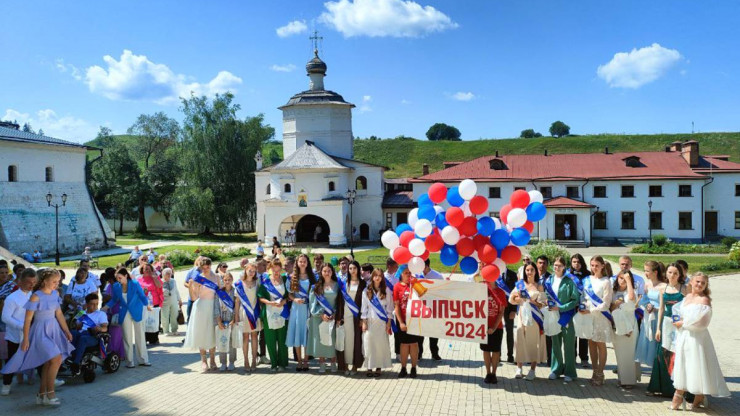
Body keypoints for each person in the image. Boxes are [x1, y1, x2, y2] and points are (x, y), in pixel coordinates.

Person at [1, 268, 73, 406]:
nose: (57, 284)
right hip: (40, 332)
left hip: (53, 330)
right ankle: (50, 393)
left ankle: (41, 395)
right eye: (54, 281)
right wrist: (26, 339)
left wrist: (66, 330)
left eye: (58, 281)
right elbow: (28, 320)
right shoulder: (35, 296)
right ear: (45, 281)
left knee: (48, 362)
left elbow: (58, 314)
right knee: (56, 358)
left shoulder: (55, 293)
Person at [670, 272, 730, 410]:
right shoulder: (687, 297)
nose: (700, 285)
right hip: (684, 336)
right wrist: (676, 321)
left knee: (696, 364)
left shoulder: (705, 300)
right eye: (697, 281)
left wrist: (683, 324)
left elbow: (702, 323)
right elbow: (677, 311)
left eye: (703, 283)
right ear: (691, 281)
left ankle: (687, 396)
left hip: (697, 338)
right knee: (683, 364)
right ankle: (690, 395)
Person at [647, 263, 688, 397]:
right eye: (670, 272)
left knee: (678, 354)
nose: (672, 276)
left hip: (680, 326)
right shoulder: (662, 289)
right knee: (663, 354)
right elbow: (662, 310)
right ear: (666, 274)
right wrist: (658, 328)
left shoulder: (685, 289)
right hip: (666, 325)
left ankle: (680, 389)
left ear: (680, 275)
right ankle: (662, 387)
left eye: (675, 273)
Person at [103, 268, 150, 368]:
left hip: (137, 311)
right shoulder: (116, 286)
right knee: (127, 337)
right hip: (124, 313)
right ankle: (130, 362)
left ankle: (143, 359)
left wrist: (147, 305)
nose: (118, 280)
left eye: (120, 277)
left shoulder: (134, 283)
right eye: (117, 278)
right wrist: (106, 307)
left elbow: (142, 296)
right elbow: (114, 300)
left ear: (125, 276)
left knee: (140, 336)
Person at [544, 256, 579, 382]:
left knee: (569, 344)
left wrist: (561, 308)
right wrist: (548, 302)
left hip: (566, 316)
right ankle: (556, 369)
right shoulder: (550, 279)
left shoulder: (570, 281)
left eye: (559, 265)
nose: (556, 267)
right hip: (553, 315)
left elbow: (575, 300)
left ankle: (570, 372)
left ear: (564, 267)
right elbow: (547, 294)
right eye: (555, 265)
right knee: (556, 343)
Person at [2, 268, 37, 395]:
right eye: (29, 282)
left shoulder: (32, 294)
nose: (32, 284)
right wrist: (21, 326)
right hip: (15, 336)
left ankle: (48, 379)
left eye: (34, 282)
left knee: (37, 355)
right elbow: (5, 317)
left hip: (30, 333)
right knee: (12, 359)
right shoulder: (12, 298)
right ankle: (6, 384)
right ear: (20, 282)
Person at [509, 262, 546, 380]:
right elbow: (512, 298)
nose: (529, 272)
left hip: (534, 317)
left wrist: (532, 301)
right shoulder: (520, 284)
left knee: (534, 341)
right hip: (521, 315)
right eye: (527, 270)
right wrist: (519, 298)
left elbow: (543, 303)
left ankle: (532, 369)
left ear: (535, 271)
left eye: (531, 270)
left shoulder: (539, 286)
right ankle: (519, 368)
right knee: (520, 338)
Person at [183, 257, 220, 372]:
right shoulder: (198, 279)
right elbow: (194, 297)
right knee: (202, 332)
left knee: (212, 332)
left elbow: (220, 293)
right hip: (201, 307)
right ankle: (203, 360)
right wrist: (191, 286)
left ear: (210, 265)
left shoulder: (217, 277)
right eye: (203, 267)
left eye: (208, 266)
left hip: (213, 306)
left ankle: (213, 359)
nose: (206, 268)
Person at [581, 256, 613, 386]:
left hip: (601, 316)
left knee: (600, 344)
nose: (594, 268)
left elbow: (606, 303)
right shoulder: (587, 280)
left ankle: (601, 372)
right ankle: (594, 371)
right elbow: (583, 296)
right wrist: (582, 306)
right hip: (588, 317)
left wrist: (591, 310)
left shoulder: (606, 282)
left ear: (602, 266)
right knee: (591, 343)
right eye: (592, 265)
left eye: (596, 265)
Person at [257, 258, 289, 371]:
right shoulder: (266, 282)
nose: (276, 273)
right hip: (269, 312)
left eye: (278, 270)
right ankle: (274, 364)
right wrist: (270, 302)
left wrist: (284, 301)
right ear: (269, 269)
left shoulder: (285, 280)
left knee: (282, 338)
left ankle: (282, 363)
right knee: (270, 339)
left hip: (282, 312)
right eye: (274, 270)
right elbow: (260, 297)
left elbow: (289, 295)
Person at [307, 263, 339, 373]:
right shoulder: (316, 287)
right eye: (324, 271)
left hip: (332, 317)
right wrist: (321, 314)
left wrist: (335, 313)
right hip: (319, 317)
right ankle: (322, 363)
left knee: (332, 339)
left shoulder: (337, 285)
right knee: (320, 340)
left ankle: (333, 362)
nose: (327, 273)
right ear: (321, 272)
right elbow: (312, 304)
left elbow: (339, 302)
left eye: (329, 271)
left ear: (332, 272)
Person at [635, 261, 666, 371]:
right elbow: (643, 301)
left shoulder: (663, 286)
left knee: (656, 343)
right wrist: (646, 305)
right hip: (648, 317)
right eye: (644, 270)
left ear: (655, 272)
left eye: (647, 271)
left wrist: (655, 309)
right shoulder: (647, 284)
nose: (645, 273)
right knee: (647, 341)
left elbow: (665, 306)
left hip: (658, 319)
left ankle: (658, 369)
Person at [361, 269, 393, 378]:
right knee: (369, 344)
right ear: (372, 277)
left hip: (381, 323)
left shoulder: (386, 291)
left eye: (380, 276)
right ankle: (369, 367)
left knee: (380, 345)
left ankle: (379, 367)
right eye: (375, 276)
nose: (377, 278)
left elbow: (389, 308)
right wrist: (364, 322)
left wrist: (389, 323)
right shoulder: (366, 291)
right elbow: (364, 308)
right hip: (370, 322)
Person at [337, 260, 366, 375]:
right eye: (350, 269)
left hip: (356, 317)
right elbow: (340, 301)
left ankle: (355, 365)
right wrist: (339, 317)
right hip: (345, 317)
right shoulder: (344, 283)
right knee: (346, 341)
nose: (352, 271)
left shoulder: (363, 284)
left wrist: (363, 319)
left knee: (356, 342)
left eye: (354, 268)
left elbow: (365, 303)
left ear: (358, 269)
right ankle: (345, 365)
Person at [286, 254, 315, 372]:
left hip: (308, 308)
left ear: (307, 263)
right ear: (297, 263)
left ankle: (306, 361)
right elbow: (289, 294)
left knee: (307, 335)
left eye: (304, 261)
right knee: (298, 333)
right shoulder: (292, 277)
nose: (302, 263)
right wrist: (294, 299)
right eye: (300, 261)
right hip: (297, 308)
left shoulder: (312, 276)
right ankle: (299, 361)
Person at [611, 270, 637, 389]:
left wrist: (628, 281)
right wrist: (615, 304)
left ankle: (630, 381)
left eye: (625, 279)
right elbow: (610, 307)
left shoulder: (631, 291)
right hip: (617, 323)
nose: (622, 280)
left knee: (629, 353)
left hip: (630, 324)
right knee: (619, 353)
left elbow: (631, 300)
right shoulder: (614, 291)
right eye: (620, 278)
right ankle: (622, 378)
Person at [69, 293, 108, 374]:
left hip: (93, 336)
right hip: (81, 334)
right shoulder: (82, 313)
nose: (95, 306)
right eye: (92, 304)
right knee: (72, 333)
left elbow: (105, 328)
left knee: (83, 339)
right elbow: (75, 326)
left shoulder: (101, 314)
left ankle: (76, 364)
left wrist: (99, 328)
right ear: (87, 304)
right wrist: (78, 326)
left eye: (96, 304)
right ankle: (69, 357)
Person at [481, 268, 507, 384]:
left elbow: (501, 312)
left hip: (497, 327)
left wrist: (494, 328)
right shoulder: (481, 290)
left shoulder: (500, 292)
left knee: (496, 351)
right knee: (486, 350)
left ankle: (494, 373)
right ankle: (488, 372)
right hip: (483, 327)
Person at [393, 266, 421, 378]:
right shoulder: (397, 287)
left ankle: (414, 368)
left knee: (414, 344)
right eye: (406, 273)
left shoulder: (415, 285)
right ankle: (403, 368)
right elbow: (396, 306)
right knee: (404, 345)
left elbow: (426, 294)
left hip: (414, 319)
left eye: (410, 272)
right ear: (401, 274)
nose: (408, 275)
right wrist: (401, 322)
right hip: (403, 319)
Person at [235, 263, 262, 372]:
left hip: (255, 312)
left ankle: (254, 360)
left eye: (253, 271)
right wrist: (236, 315)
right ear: (245, 270)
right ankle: (246, 360)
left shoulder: (257, 282)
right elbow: (237, 301)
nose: (251, 272)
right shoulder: (239, 284)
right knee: (245, 337)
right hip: (244, 313)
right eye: (250, 270)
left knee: (254, 336)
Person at [568, 253, 591, 368]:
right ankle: (572, 357)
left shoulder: (588, 275)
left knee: (583, 333)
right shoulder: (567, 275)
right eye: (574, 262)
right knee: (572, 334)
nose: (576, 264)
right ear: (571, 263)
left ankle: (584, 358)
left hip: (583, 307)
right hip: (571, 307)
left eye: (578, 262)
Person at [420, 258, 442, 361]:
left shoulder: (437, 276)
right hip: (420, 308)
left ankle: (434, 353)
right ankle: (419, 353)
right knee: (420, 333)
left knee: (433, 332)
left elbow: (443, 291)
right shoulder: (417, 275)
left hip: (434, 308)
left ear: (427, 266)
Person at [216, 272, 239, 372]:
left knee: (232, 342)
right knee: (222, 341)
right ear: (223, 281)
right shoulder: (219, 292)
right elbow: (216, 307)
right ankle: (223, 363)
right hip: (222, 319)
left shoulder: (235, 291)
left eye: (229, 279)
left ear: (232, 280)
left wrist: (234, 319)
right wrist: (219, 321)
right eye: (225, 280)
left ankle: (232, 362)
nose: (227, 282)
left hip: (231, 319)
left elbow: (236, 307)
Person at [137, 263, 163, 345]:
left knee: (154, 321)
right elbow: (137, 291)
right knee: (145, 321)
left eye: (149, 269)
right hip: (144, 304)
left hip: (154, 303)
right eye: (146, 269)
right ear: (142, 270)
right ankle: (145, 338)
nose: (148, 271)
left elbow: (159, 286)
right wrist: (143, 291)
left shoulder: (155, 277)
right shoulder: (139, 279)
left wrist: (155, 278)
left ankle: (154, 339)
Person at [497, 265, 517, 363]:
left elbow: (515, 292)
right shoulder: (495, 273)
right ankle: (498, 354)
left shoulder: (513, 275)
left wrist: (514, 310)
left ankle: (510, 355)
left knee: (509, 332)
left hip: (509, 307)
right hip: (497, 307)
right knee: (498, 331)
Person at [535, 256, 553, 366]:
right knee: (534, 334)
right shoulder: (532, 277)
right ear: (536, 264)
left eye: (544, 263)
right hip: (534, 309)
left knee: (548, 335)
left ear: (547, 265)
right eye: (540, 263)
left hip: (546, 310)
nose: (542, 265)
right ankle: (534, 357)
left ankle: (549, 358)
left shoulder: (551, 278)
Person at [0, 263, 18, 368]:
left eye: (6, 273)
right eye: (1, 273)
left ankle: (8, 368)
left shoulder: (11, 285)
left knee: (4, 344)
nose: (4, 275)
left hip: (5, 318)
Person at [160, 268, 181, 336]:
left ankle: (174, 330)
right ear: (163, 274)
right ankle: (166, 331)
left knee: (174, 315)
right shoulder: (160, 282)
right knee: (165, 316)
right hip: (164, 302)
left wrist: (179, 299)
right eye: (167, 273)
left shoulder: (173, 281)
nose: (169, 275)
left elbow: (176, 291)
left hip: (174, 301)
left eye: (170, 273)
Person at [184, 256, 204, 323]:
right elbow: (185, 283)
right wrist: (190, 286)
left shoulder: (206, 272)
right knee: (190, 316)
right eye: (199, 260)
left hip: (202, 298)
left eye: (202, 261)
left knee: (200, 317)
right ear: (197, 261)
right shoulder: (191, 271)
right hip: (191, 298)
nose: (200, 262)